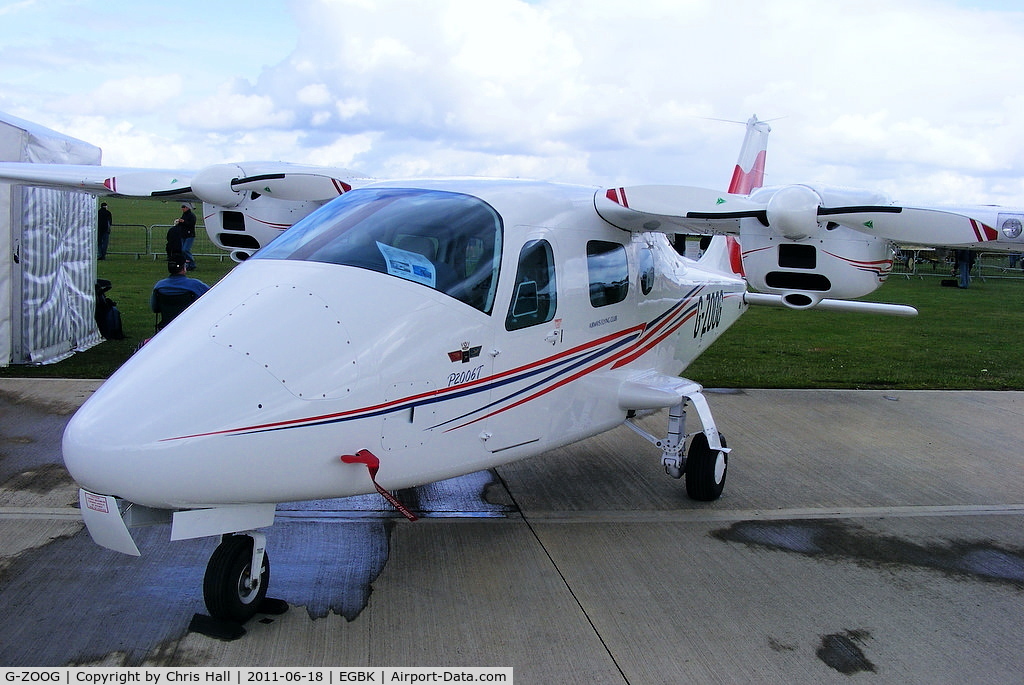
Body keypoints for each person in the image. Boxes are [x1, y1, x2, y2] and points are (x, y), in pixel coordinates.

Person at [151, 253, 210, 329]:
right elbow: (212, 296)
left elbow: (155, 308)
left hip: (166, 326)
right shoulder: (195, 285)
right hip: (189, 324)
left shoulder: (159, 286)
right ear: (184, 268)